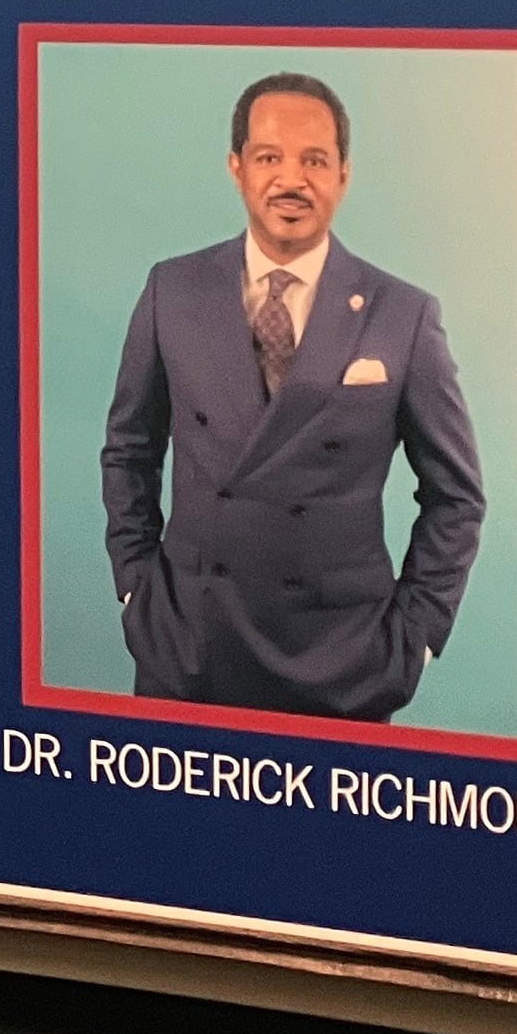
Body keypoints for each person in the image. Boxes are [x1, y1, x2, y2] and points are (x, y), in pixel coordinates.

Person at [98, 72, 484, 722]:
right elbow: (128, 451)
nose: (290, 179)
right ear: (235, 167)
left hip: (340, 663)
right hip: (189, 651)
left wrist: (413, 638)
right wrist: (134, 589)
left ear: (343, 175)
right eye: (268, 157)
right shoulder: (172, 291)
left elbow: (456, 496)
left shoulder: (403, 315)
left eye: (314, 160)